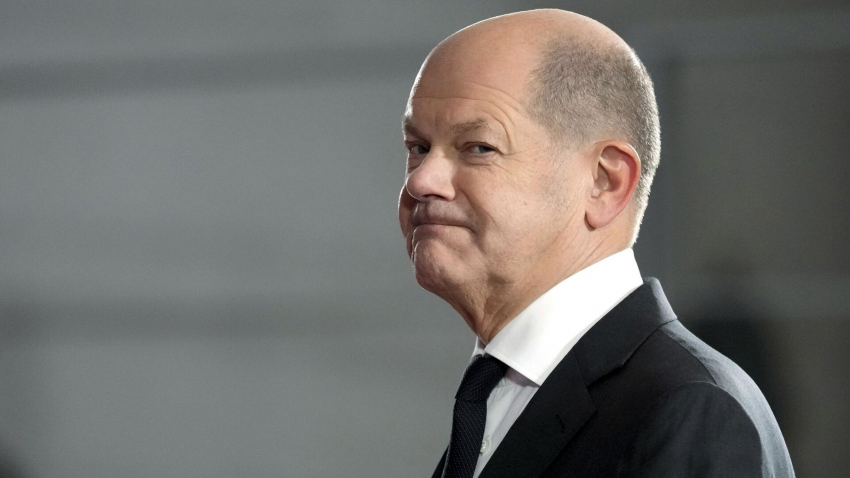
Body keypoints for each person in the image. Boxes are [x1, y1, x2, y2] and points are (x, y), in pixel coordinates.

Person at [397, 9, 795, 478]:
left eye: (478, 147)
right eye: (418, 147)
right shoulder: (497, 394)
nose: (421, 180)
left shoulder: (691, 410)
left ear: (606, 182)